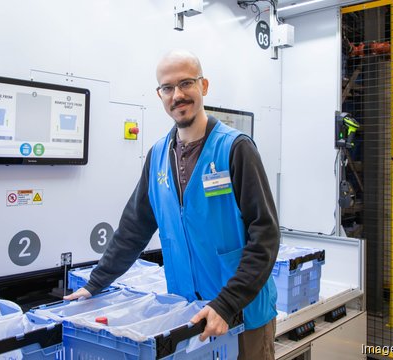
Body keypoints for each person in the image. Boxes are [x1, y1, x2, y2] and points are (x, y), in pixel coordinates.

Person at [65, 49, 280, 359]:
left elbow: (266, 236)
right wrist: (96, 282)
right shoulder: (157, 156)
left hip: (242, 313)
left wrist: (227, 302)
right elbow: (133, 229)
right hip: (187, 315)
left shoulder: (235, 148)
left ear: (204, 86)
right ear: (160, 95)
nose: (177, 95)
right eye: (168, 88)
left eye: (186, 83)